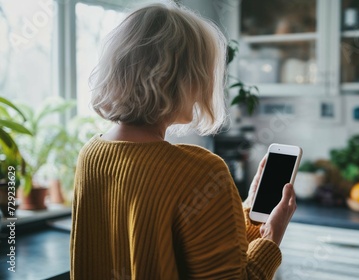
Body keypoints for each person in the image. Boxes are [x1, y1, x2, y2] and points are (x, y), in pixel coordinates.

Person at [70, 3, 296, 280]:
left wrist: (246, 215)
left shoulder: (90, 155)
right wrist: (272, 237)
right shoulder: (200, 171)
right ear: (181, 79)